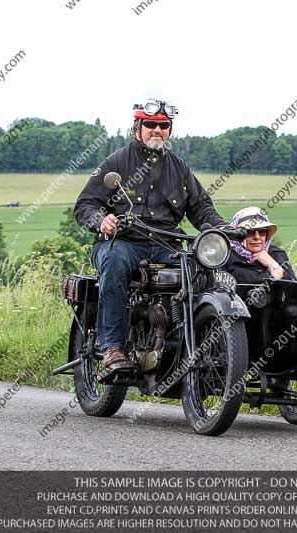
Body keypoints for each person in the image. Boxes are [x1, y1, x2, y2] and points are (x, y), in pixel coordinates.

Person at [73, 99, 225, 378]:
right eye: (151, 124)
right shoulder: (116, 161)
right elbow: (85, 205)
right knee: (115, 262)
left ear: (169, 130)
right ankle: (112, 348)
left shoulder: (179, 168)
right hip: (123, 241)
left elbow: (201, 207)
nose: (158, 130)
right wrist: (102, 220)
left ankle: (194, 341)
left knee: (202, 268)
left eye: (163, 126)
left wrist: (221, 229)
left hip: (166, 244)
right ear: (138, 127)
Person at [224, 207, 296, 284]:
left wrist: (272, 264)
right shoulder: (226, 257)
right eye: (250, 231)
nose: (257, 237)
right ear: (238, 235)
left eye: (262, 231)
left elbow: (296, 287)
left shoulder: (277, 254)